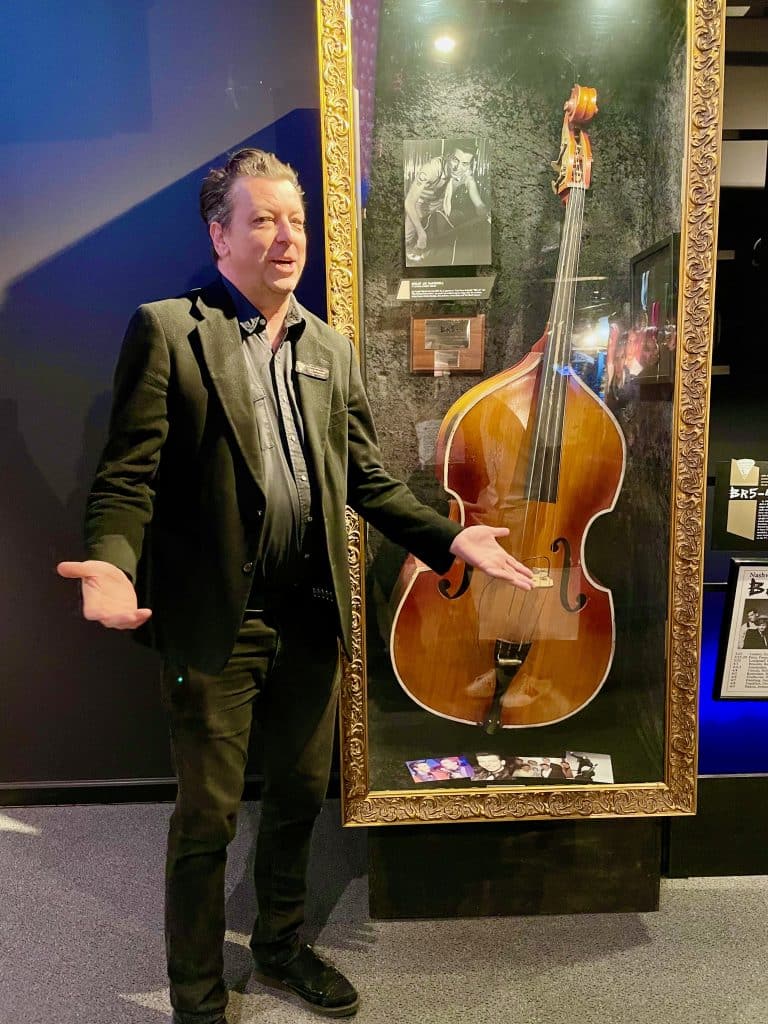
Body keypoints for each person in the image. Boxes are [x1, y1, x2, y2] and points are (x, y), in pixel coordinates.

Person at [56, 148, 533, 1024]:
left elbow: (367, 480)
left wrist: (449, 534)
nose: (285, 238)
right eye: (264, 219)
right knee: (207, 819)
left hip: (311, 616)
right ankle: (198, 997)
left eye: (297, 221)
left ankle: (280, 946)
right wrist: (113, 564)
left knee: (300, 801)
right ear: (220, 233)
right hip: (217, 625)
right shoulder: (168, 330)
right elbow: (129, 479)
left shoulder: (329, 347)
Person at [404, 140, 489, 265]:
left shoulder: (466, 174)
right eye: (455, 160)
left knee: (439, 242)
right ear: (448, 156)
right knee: (406, 240)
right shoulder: (431, 168)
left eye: (465, 163)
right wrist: (420, 232)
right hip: (418, 206)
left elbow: (479, 205)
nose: (458, 168)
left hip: (440, 206)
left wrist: (487, 214)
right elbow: (409, 202)